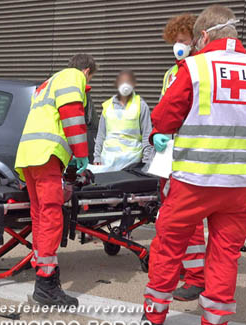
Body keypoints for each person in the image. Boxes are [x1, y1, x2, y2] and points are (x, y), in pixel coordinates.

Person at [141, 5, 246, 325]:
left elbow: (166, 116)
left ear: (203, 36)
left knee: (170, 245)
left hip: (194, 181)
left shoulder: (196, 67)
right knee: (225, 255)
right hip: (242, 186)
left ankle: (154, 319)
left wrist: (158, 133)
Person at [15, 53, 96, 307]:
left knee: (39, 214)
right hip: (47, 155)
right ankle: (46, 285)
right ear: (86, 72)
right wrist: (82, 154)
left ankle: (42, 269)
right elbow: (73, 117)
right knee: (51, 215)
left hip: (29, 156)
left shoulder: (47, 84)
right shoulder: (73, 78)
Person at [160, 13, 207, 302]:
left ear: (197, 41)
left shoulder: (201, 70)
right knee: (171, 220)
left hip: (194, 157)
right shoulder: (172, 72)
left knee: (187, 224)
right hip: (173, 155)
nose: (177, 45)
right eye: (174, 42)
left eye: (182, 41)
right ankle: (180, 269)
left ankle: (196, 277)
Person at [92, 70, 153, 172]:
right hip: (108, 161)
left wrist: (147, 161)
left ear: (133, 84)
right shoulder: (107, 106)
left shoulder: (141, 105)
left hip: (132, 163)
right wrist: (97, 156)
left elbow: (147, 135)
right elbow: (100, 135)